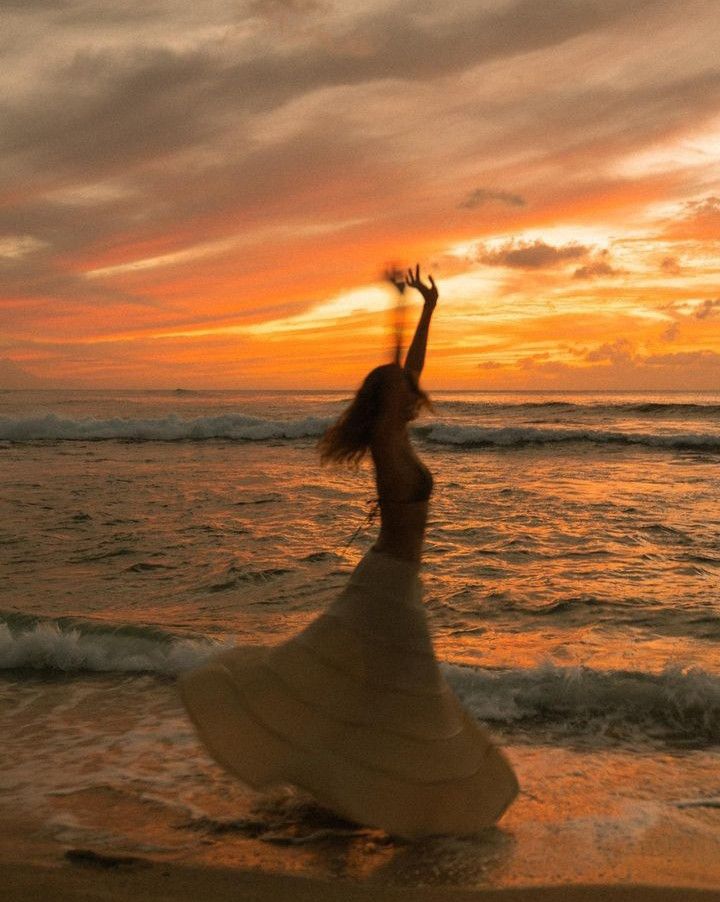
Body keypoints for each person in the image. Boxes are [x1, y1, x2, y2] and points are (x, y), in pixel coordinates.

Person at [179, 266, 518, 837]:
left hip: (392, 585)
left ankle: (353, 793)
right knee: (414, 703)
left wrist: (423, 308)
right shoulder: (388, 441)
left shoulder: (399, 434)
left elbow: (405, 370)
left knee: (372, 694)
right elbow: (397, 373)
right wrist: (399, 313)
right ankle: (419, 809)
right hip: (388, 588)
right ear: (389, 403)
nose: (416, 393)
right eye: (404, 392)